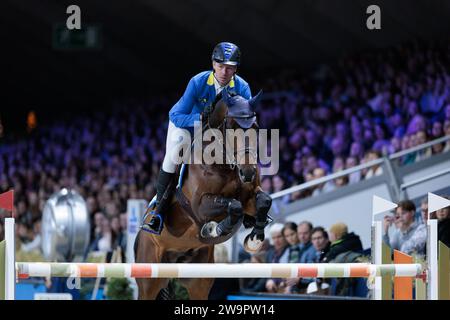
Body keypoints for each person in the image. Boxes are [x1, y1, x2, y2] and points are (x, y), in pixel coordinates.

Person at [144, 42, 252, 234]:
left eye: (230, 68)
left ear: (235, 68)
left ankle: (251, 206)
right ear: (213, 64)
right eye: (220, 66)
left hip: (220, 135)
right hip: (188, 127)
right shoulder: (198, 82)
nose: (224, 72)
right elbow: (176, 116)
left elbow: (245, 121)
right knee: (175, 152)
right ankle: (159, 212)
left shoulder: (243, 87)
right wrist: (201, 118)